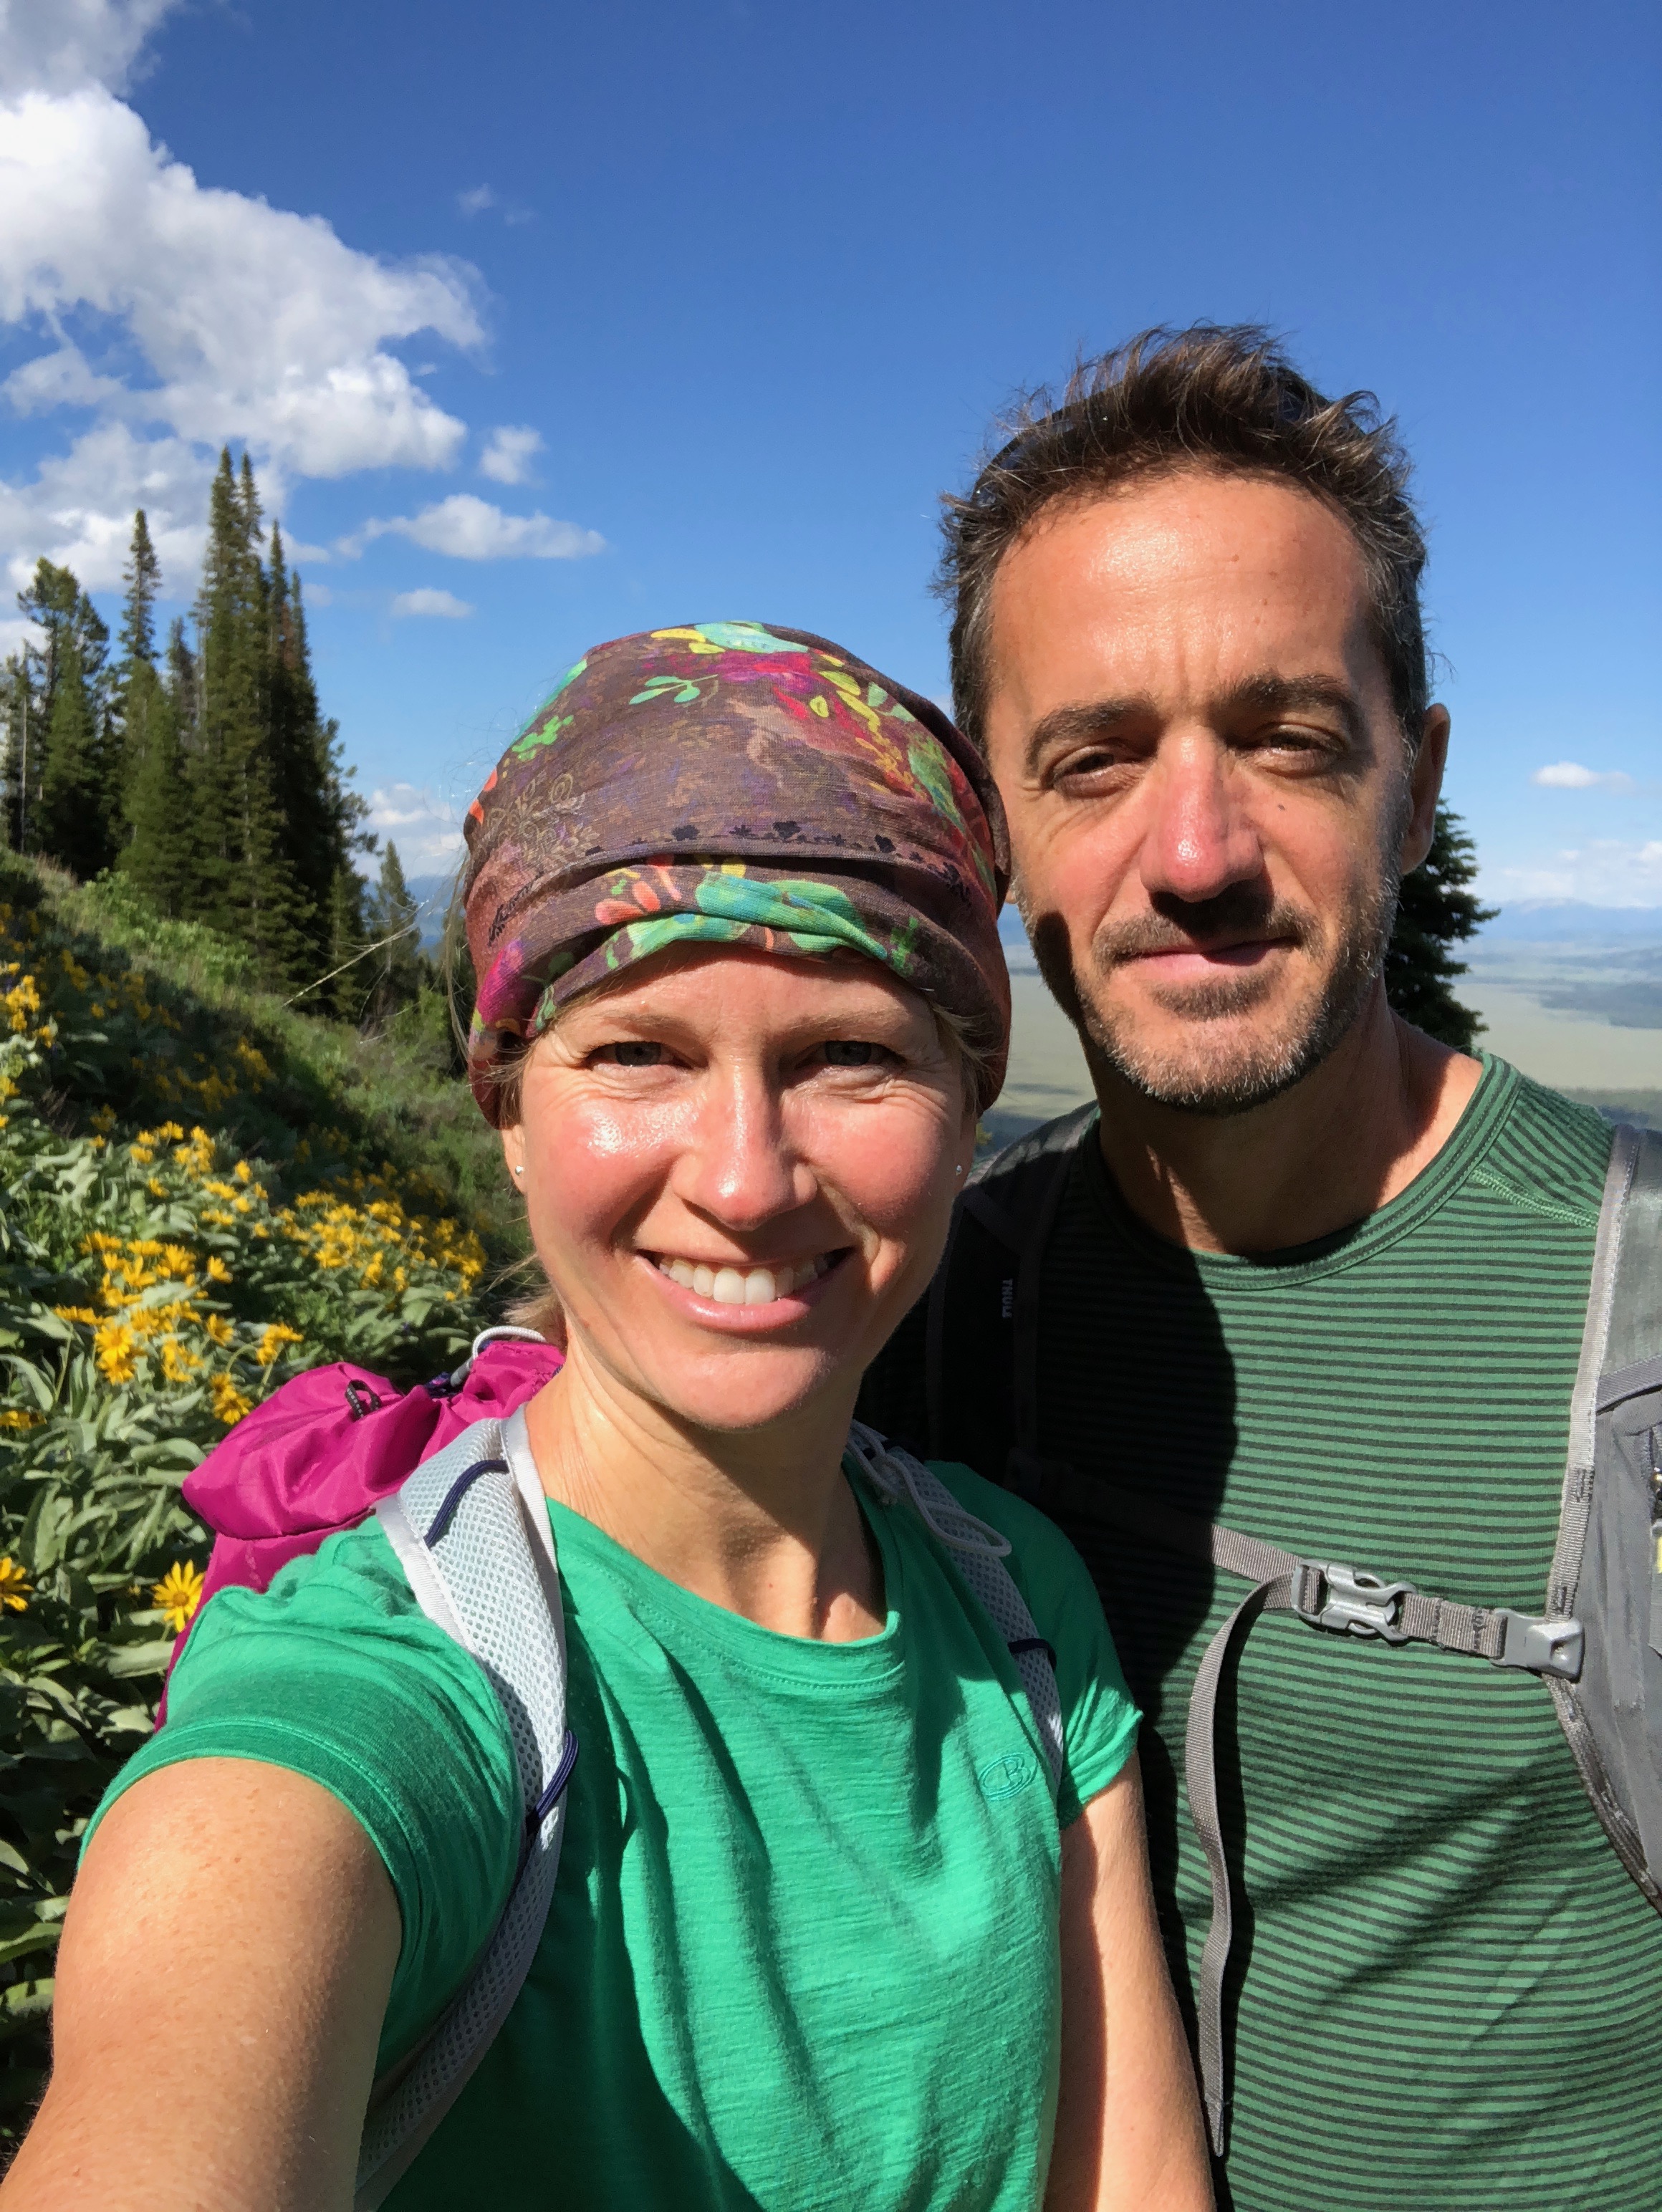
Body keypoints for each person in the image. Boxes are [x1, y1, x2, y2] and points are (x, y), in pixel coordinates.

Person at [2, 622, 1212, 2212]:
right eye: (637, 1052)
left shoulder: (1018, 1602)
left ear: (966, 1104)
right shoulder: (393, 1683)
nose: (743, 1179)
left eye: (851, 1056)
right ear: (509, 1110)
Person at [860, 327, 1662, 2211]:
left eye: (1286, 738)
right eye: (1094, 761)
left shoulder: (1628, 1329)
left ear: (1416, 782)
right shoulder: (927, 1299)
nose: (1195, 850)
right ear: (994, 831)